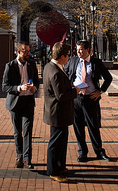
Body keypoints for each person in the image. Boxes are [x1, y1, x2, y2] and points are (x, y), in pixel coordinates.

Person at [64, 40, 114, 163]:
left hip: (91, 98)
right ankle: (82, 152)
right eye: (77, 49)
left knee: (93, 126)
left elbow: (108, 78)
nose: (79, 52)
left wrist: (100, 91)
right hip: (76, 98)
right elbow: (65, 75)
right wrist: (70, 89)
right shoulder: (73, 61)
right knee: (78, 127)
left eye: (81, 49)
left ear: (88, 50)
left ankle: (99, 151)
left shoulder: (96, 62)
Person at [43, 42, 77, 183]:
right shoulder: (55, 72)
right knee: (56, 143)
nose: (69, 57)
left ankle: (60, 166)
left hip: (59, 112)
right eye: (68, 55)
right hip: (58, 113)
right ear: (62, 56)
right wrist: (76, 91)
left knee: (62, 142)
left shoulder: (50, 67)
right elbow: (61, 96)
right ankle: (53, 171)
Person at [2, 42, 40, 170]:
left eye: (28, 51)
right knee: (18, 132)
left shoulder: (32, 64)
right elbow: (4, 86)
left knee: (28, 131)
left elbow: (36, 80)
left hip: (28, 102)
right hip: (15, 103)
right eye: (25, 51)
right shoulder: (10, 66)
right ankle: (19, 157)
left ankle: (27, 159)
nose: (27, 54)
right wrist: (19, 88)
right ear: (18, 52)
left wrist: (34, 87)